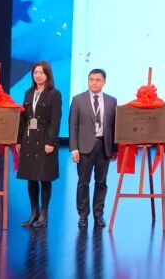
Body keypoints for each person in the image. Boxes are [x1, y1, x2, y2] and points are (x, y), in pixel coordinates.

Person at [68, 68, 117, 228]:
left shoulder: (111, 101)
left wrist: (114, 149)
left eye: (98, 80)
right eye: (91, 79)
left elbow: (114, 126)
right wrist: (74, 148)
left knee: (101, 183)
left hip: (104, 146)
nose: (94, 83)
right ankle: (83, 215)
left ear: (104, 82)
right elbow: (72, 125)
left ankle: (98, 215)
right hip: (84, 147)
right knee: (83, 183)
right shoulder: (78, 99)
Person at [16, 61, 63, 229]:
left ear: (47, 75)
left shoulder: (54, 94)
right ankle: (34, 212)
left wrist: (51, 142)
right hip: (29, 139)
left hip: (45, 138)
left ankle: (44, 214)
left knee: (44, 177)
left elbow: (56, 119)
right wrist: (19, 140)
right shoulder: (28, 93)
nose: (38, 75)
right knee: (31, 177)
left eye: (41, 73)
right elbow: (23, 119)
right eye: (35, 73)